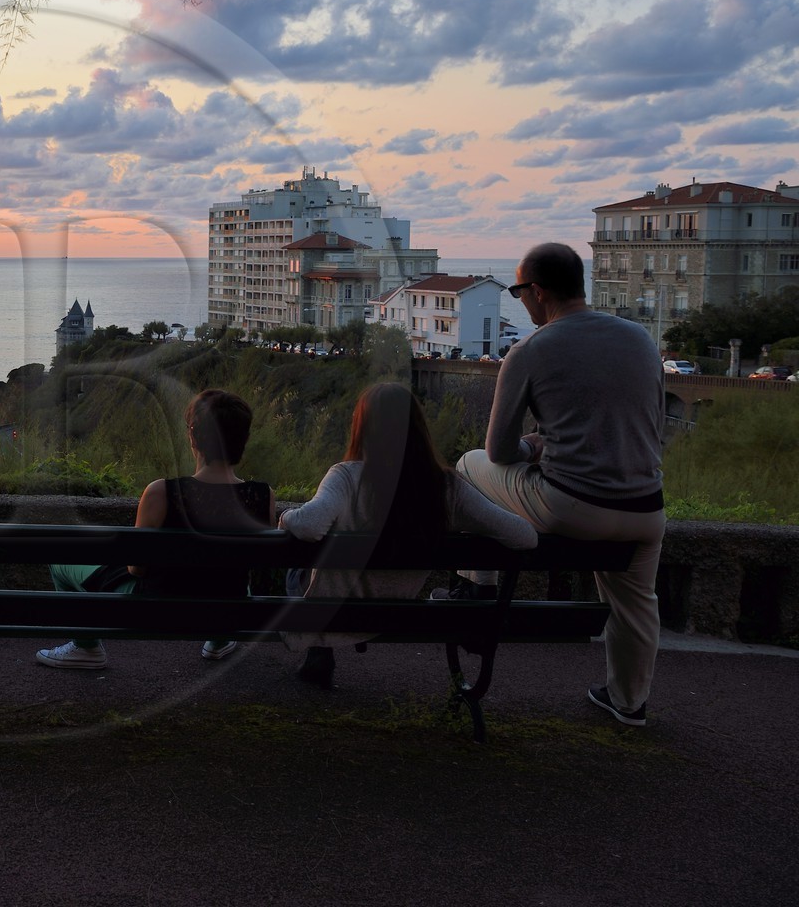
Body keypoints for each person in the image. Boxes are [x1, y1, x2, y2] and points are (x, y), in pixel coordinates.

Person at [454, 241, 666, 727]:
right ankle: (629, 703)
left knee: (468, 465)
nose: (519, 300)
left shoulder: (531, 349)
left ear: (538, 291)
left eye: (518, 290)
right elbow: (649, 426)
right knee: (637, 603)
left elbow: (499, 453)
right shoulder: (639, 339)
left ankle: (477, 588)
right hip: (645, 510)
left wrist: (535, 446)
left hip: (571, 506)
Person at [278, 382, 536, 686]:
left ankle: (320, 649)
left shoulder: (346, 476)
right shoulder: (447, 488)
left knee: (296, 573)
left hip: (336, 611)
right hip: (397, 612)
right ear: (419, 429)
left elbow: (309, 526)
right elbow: (525, 537)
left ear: (362, 428)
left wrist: (285, 517)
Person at [35, 388, 275, 669]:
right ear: (243, 439)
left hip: (156, 610)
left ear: (193, 435)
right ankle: (219, 641)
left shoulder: (161, 492)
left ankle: (85, 647)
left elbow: (137, 569)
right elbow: (257, 563)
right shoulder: (262, 495)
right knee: (229, 578)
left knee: (61, 561)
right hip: (229, 610)